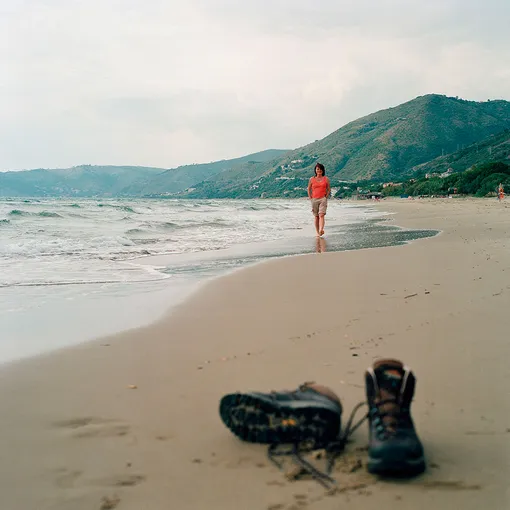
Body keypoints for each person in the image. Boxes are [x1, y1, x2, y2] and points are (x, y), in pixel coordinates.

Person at [307, 163, 331, 237]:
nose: (319, 170)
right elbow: (309, 189)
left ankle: (321, 229)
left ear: (322, 170)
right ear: (315, 170)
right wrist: (310, 198)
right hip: (314, 199)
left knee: (321, 215)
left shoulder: (326, 179)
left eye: (320, 169)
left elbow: (329, 189)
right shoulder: (312, 179)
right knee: (316, 216)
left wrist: (325, 197)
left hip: (322, 199)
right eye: (317, 169)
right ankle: (318, 232)